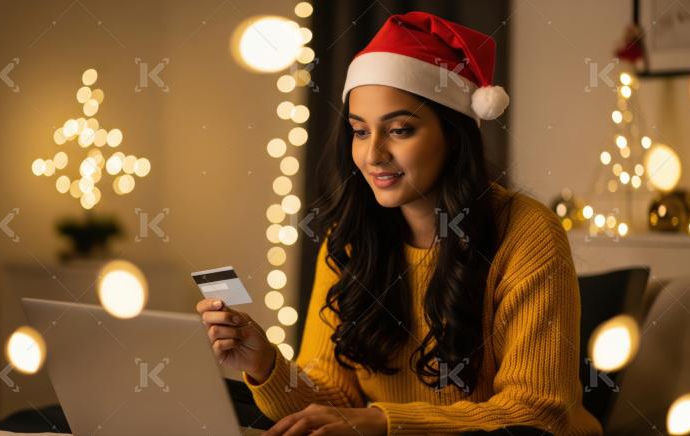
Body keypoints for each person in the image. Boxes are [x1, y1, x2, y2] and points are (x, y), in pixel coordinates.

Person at [196, 11, 604, 436]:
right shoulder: (350, 237)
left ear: (454, 133)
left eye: (399, 130)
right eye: (359, 131)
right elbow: (334, 403)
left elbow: (536, 414)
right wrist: (265, 365)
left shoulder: (526, 232)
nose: (373, 155)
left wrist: (383, 422)